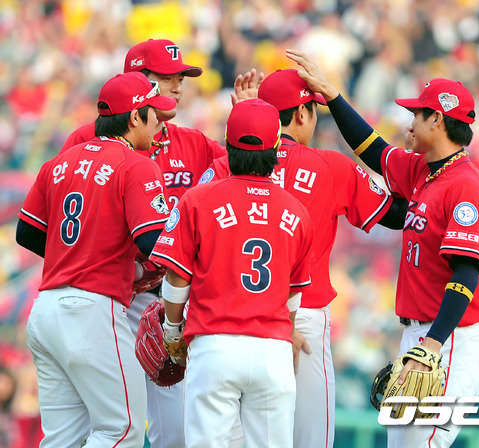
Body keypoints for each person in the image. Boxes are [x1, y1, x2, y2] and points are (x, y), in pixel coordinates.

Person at [286, 49, 479, 447]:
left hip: (448, 341)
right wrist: (332, 96)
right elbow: (373, 149)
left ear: (437, 120)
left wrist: (432, 344)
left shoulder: (465, 186)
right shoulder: (424, 170)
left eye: (417, 113)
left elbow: (467, 273)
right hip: (420, 337)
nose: (409, 122)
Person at [60, 38, 260, 448]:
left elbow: (244, 175)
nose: (177, 86)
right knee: (96, 428)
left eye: (181, 78)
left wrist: (247, 119)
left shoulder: (194, 144)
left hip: (164, 299)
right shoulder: (88, 139)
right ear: (136, 82)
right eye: (166, 77)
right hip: (103, 297)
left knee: (178, 432)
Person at [200, 68, 407, 448]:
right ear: (301, 113)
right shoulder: (329, 165)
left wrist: (246, 120)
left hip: (229, 322)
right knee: (310, 440)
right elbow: (398, 215)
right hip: (304, 318)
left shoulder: (227, 165)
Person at [15, 71, 174, 447]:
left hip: (46, 310)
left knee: (62, 438)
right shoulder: (136, 163)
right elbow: (154, 242)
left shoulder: (60, 162)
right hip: (92, 310)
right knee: (122, 430)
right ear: (134, 117)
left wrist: (81, 254)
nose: (158, 121)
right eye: (153, 112)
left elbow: (26, 233)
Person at [149, 98, 315, 447]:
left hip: (215, 347)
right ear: (275, 148)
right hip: (273, 351)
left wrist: (172, 331)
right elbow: (294, 293)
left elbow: (177, 278)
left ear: (227, 143)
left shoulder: (197, 199)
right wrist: (287, 331)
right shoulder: (297, 211)